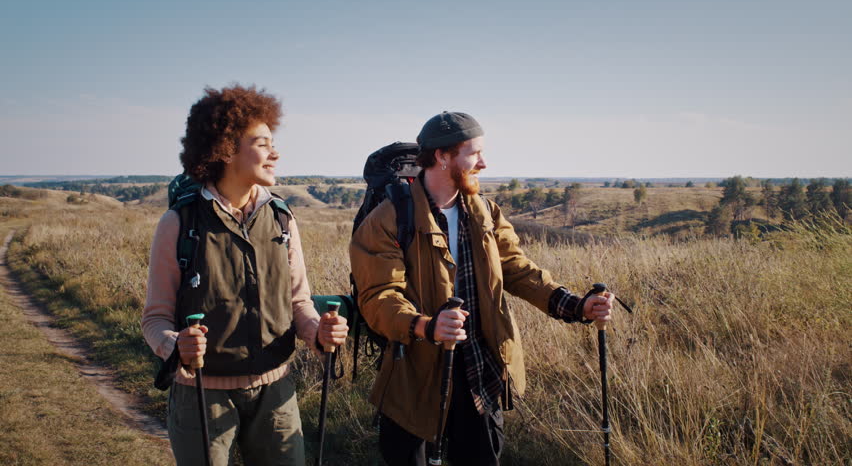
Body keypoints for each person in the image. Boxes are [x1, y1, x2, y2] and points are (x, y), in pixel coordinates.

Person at [349, 111, 614, 465]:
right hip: (413, 373)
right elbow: (378, 297)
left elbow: (518, 270)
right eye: (474, 154)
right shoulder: (389, 218)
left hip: (479, 369)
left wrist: (576, 306)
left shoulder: (485, 212)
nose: (484, 163)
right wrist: (426, 325)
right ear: (442, 157)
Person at [142, 84, 348, 465]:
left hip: (275, 393)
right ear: (225, 148)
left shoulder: (282, 218)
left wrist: (318, 331)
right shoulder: (178, 223)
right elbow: (155, 318)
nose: (275, 152)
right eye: (262, 142)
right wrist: (175, 347)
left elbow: (298, 302)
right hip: (200, 395)